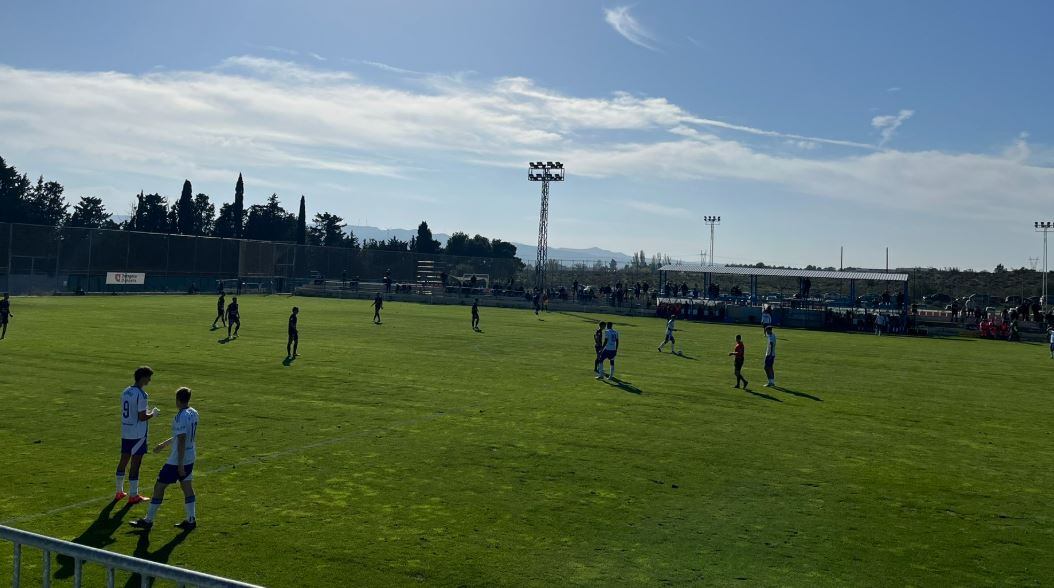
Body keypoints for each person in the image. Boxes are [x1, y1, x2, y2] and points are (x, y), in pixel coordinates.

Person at [131, 387, 199, 531]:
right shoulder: (194, 413)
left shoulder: (180, 416)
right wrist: (163, 445)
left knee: (159, 486)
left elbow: (181, 439)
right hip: (191, 455)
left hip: (177, 460)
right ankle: (191, 520)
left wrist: (179, 464)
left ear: (178, 400)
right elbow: (181, 436)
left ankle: (148, 520)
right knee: (187, 487)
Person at [116, 366, 160, 505]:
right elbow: (142, 417)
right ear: (143, 377)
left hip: (126, 431)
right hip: (138, 434)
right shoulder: (142, 395)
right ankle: (133, 495)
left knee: (123, 460)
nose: (149, 380)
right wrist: (153, 414)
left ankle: (119, 491)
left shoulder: (126, 391)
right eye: (148, 377)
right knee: (136, 463)